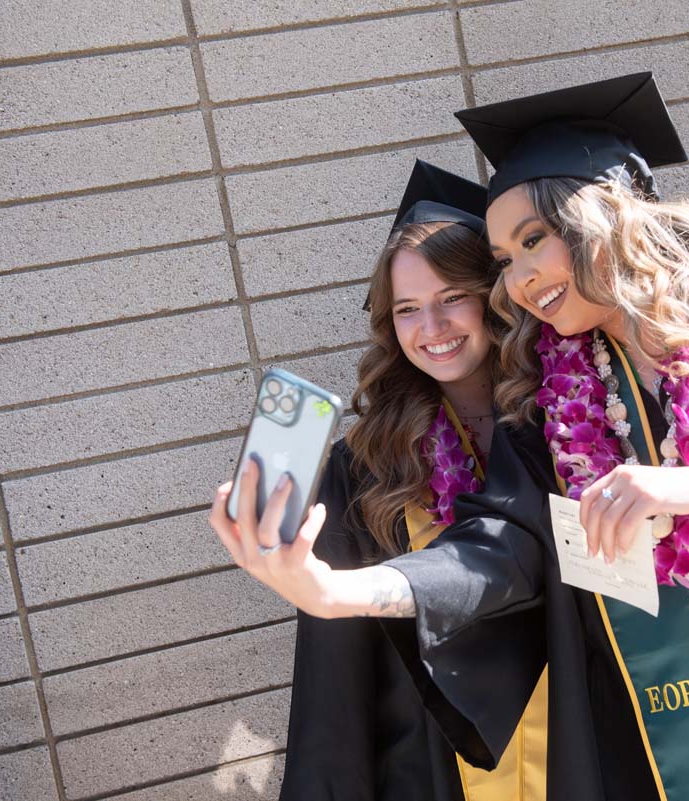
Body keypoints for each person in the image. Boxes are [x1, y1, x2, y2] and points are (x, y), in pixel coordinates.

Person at [219, 75, 689, 801]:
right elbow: (499, 549)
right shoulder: (550, 405)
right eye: (505, 261)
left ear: (599, 215)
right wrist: (337, 589)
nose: (517, 281)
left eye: (532, 240)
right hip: (657, 752)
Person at [209, 161, 548, 800]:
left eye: (452, 298)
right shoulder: (368, 463)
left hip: (579, 740)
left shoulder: (564, 422)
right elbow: (336, 675)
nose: (432, 329)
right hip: (434, 762)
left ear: (493, 297)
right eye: (408, 309)